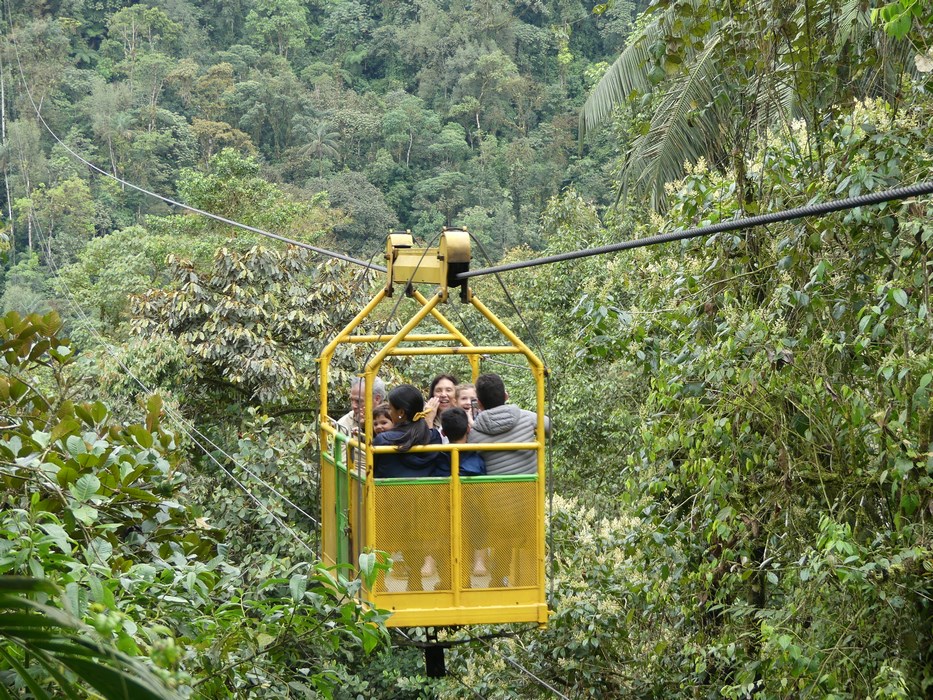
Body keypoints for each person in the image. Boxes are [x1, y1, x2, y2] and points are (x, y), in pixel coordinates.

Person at [438, 406, 488, 579]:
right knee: (468, 540)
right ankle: (464, 579)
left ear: (443, 432)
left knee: (444, 544)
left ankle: (446, 579)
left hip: (443, 513)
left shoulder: (438, 456)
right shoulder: (477, 458)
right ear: (468, 428)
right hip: (473, 513)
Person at [467, 373, 549, 475]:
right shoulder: (526, 417)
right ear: (506, 396)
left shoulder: (473, 435)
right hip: (531, 488)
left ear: (478, 403)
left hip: (494, 489)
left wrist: (472, 424)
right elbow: (549, 426)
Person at [373, 385, 445, 478]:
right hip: (426, 491)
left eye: (390, 409)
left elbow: (373, 468)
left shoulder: (384, 440)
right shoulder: (434, 436)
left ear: (401, 413)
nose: (389, 413)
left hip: (388, 491)